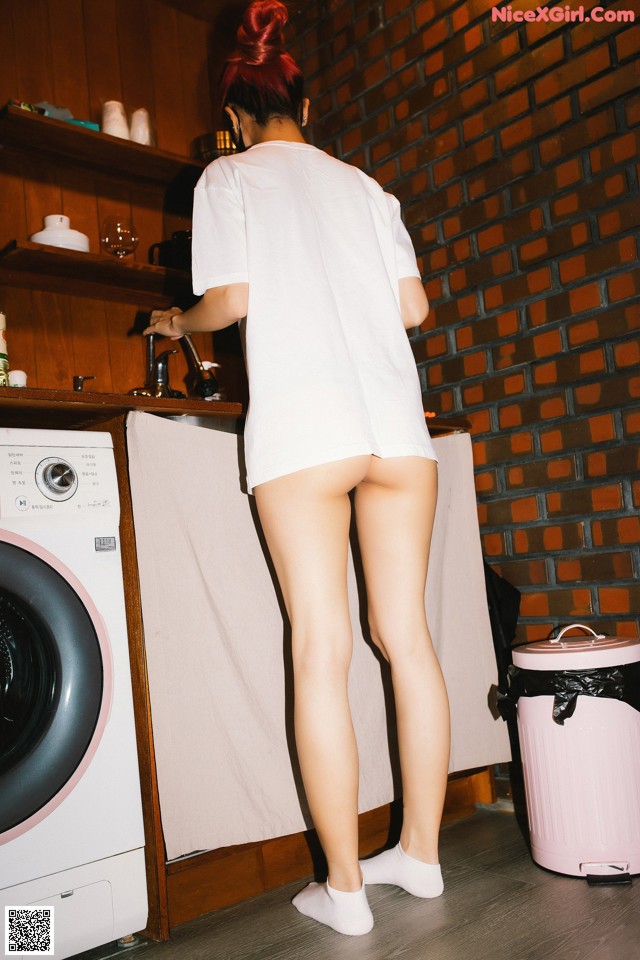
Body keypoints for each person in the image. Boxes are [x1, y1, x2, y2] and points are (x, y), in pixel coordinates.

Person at [145, 0, 450, 938]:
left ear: (236, 118)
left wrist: (176, 320)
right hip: (397, 433)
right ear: (306, 109)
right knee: (407, 641)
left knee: (320, 648)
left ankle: (345, 890)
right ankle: (422, 857)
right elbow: (415, 310)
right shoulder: (367, 188)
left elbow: (229, 300)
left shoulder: (228, 176)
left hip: (306, 434)